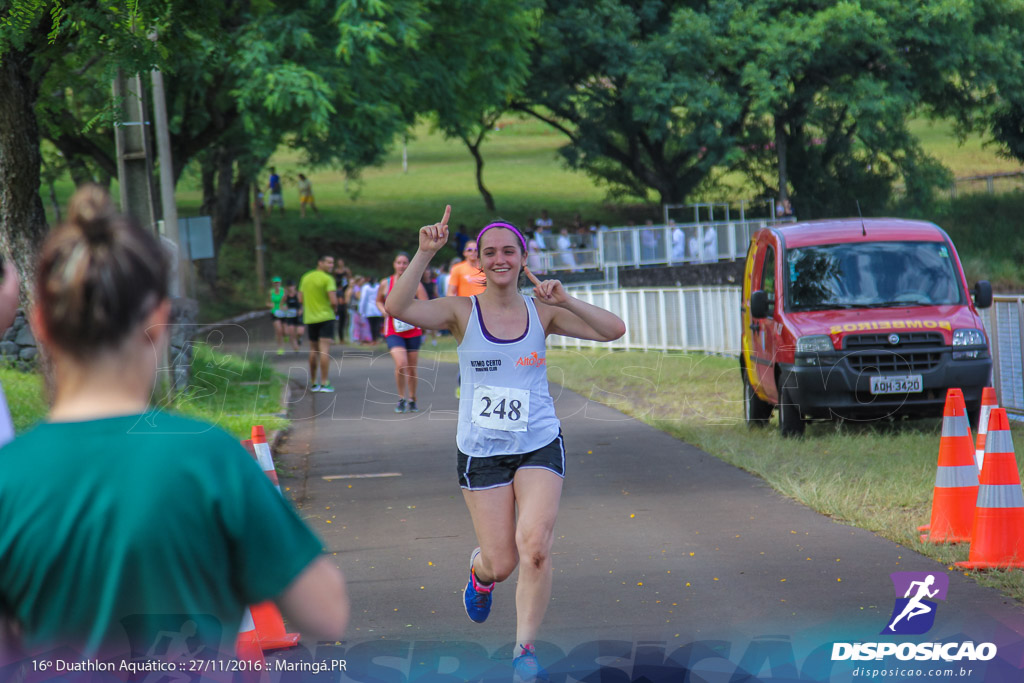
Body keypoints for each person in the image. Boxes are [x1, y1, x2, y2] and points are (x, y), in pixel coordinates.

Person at [0, 185, 347, 659]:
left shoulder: (9, 476)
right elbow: (325, 612)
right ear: (159, 319)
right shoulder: (210, 458)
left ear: (40, 323)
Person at [384, 209, 625, 681]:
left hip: (539, 442)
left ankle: (524, 651)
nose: (499, 259)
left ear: (523, 258)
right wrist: (426, 251)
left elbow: (613, 330)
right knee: (503, 562)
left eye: (508, 251)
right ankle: (479, 573)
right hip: (481, 450)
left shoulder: (544, 311)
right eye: (488, 252)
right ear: (477, 260)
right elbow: (398, 308)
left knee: (535, 547)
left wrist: (568, 299)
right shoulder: (460, 310)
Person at [377, 253, 429, 413]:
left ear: (409, 265)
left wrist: (412, 312)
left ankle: (412, 398)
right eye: (399, 262)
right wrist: (384, 311)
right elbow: (379, 300)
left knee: (412, 368)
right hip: (394, 330)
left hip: (412, 330)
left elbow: (426, 304)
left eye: (405, 263)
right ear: (394, 264)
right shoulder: (386, 283)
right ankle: (401, 398)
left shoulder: (416, 284)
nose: (402, 266)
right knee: (401, 364)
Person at [299, 254, 338, 392]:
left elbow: (300, 298)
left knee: (313, 350)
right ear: (320, 262)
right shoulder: (328, 279)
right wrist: (335, 309)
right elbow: (333, 301)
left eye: (332, 263)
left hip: (310, 318)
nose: (331, 265)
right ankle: (324, 382)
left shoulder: (306, 277)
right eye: (328, 262)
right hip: (326, 317)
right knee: (324, 351)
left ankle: (314, 382)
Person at [333, 258, 352, 344]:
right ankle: (336, 337)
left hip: (344, 289)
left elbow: (349, 278)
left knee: (343, 321)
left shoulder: (346, 270)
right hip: (338, 290)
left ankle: (342, 338)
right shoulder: (336, 271)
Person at [282, 279, 304, 352]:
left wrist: (301, 310)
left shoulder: (298, 295)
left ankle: (299, 338)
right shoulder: (286, 296)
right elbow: (281, 305)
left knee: (299, 332)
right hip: (290, 315)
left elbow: (303, 303)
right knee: (291, 332)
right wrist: (284, 308)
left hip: (298, 314)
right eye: (289, 286)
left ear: (295, 286)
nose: (291, 288)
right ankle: (295, 346)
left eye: (292, 286)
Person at [268, 276, 287, 354]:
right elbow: (267, 302)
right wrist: (270, 305)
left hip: (283, 312)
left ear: (280, 283)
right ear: (273, 284)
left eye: (278, 282)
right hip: (274, 312)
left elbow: (288, 300)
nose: (277, 284)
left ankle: (286, 335)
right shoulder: (271, 291)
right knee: (278, 331)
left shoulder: (284, 291)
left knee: (285, 331)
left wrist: (286, 306)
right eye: (275, 282)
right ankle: (280, 348)